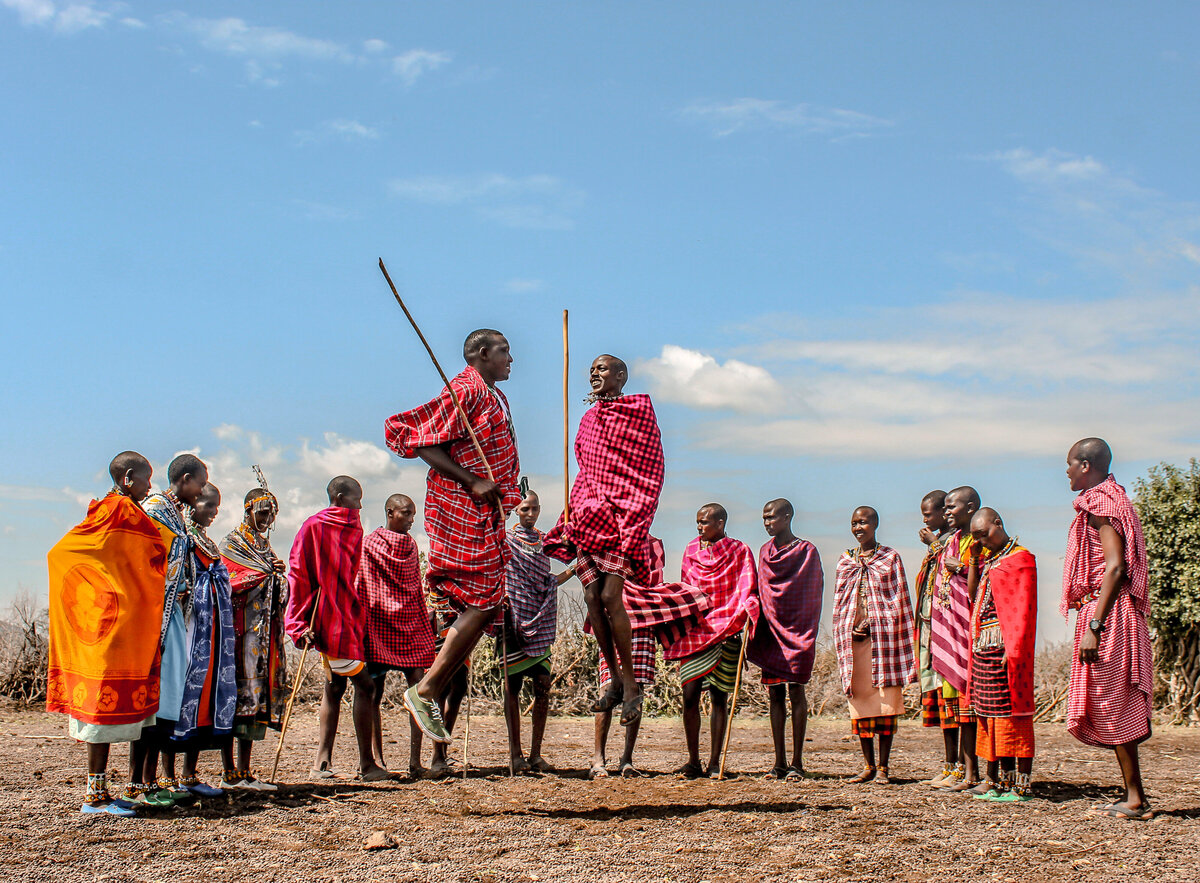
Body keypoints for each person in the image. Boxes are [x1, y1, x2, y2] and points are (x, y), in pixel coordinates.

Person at [384, 329, 521, 747]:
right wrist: (473, 479)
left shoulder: (491, 394)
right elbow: (414, 436)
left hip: (483, 513)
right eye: (504, 351)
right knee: (483, 598)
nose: (511, 359)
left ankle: (428, 690)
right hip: (458, 505)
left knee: (489, 597)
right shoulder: (465, 390)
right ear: (482, 354)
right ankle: (424, 690)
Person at [544, 355, 667, 727]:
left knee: (613, 596)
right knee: (592, 597)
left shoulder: (639, 412)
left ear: (621, 376)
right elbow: (586, 466)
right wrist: (575, 507)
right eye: (592, 369)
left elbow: (650, 468)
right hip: (590, 514)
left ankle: (630, 683)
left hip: (624, 514)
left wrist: (635, 510)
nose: (594, 374)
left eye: (602, 369)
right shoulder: (587, 418)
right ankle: (612, 677)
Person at [47, 452, 167, 816]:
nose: (150, 487)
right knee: (99, 711)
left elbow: (67, 553)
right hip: (113, 626)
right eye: (147, 480)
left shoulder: (101, 512)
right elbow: (152, 556)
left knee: (100, 710)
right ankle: (94, 795)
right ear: (129, 478)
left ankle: (100, 792)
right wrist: (110, 595)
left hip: (105, 625)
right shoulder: (123, 514)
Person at [1063, 438, 1154, 820]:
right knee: (1112, 702)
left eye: (1069, 464)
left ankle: (1136, 798)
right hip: (1109, 611)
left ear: (1086, 465)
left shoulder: (1101, 503)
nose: (1066, 472)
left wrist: (1095, 626)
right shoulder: (1110, 499)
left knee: (1114, 702)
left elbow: (1115, 568)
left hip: (1109, 614)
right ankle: (1134, 794)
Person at [285, 476, 387, 781]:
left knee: (335, 687)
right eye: (356, 499)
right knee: (365, 687)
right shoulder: (314, 527)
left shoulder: (352, 528)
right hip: (330, 619)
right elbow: (299, 574)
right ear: (341, 497)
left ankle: (323, 763)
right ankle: (366, 765)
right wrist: (299, 623)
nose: (359, 505)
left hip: (349, 617)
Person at [664, 504, 760, 778]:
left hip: (727, 627)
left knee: (720, 697)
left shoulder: (739, 551)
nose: (699, 527)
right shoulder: (691, 551)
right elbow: (687, 589)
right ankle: (693, 761)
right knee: (690, 694)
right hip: (697, 629)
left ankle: (715, 762)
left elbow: (747, 587)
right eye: (697, 522)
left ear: (720, 523)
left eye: (705, 522)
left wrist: (748, 607)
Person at [139, 453, 209, 804]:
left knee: (167, 698)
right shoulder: (155, 511)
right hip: (157, 617)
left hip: (175, 614)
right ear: (184, 478)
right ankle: (143, 783)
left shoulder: (175, 515)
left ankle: (153, 782)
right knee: (156, 698)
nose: (201, 490)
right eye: (199, 482)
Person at [356, 493, 437, 776]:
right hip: (378, 625)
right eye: (406, 513)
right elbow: (363, 583)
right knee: (373, 692)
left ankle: (416, 761)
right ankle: (377, 761)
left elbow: (414, 585)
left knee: (418, 689)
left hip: (410, 625)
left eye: (413, 514)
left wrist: (423, 617)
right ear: (390, 512)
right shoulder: (369, 544)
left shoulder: (412, 546)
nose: (412, 519)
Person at [833, 506, 914, 785]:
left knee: (886, 703)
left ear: (876, 524)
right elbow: (840, 604)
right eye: (854, 523)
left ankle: (884, 767)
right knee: (861, 703)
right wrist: (850, 628)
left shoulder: (890, 558)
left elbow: (899, 601)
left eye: (864, 522)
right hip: (855, 644)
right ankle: (867, 765)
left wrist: (875, 621)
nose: (858, 528)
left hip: (884, 641)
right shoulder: (845, 560)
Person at [746, 498, 823, 781]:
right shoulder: (764, 552)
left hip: (799, 632)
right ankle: (778, 763)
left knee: (796, 693)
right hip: (772, 633)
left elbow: (813, 594)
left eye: (772, 517)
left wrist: (806, 631)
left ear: (788, 517)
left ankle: (797, 763)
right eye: (764, 518)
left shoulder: (806, 551)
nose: (767, 523)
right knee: (775, 695)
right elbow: (760, 590)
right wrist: (752, 609)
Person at [219, 487, 288, 791]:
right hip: (237, 634)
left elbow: (278, 589)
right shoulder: (231, 543)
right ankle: (229, 771)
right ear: (247, 511)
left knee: (254, 701)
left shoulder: (265, 547)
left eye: (271, 515)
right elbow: (225, 581)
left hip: (260, 638)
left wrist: (278, 575)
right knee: (232, 699)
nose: (267, 520)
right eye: (262, 513)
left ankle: (245, 771)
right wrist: (261, 573)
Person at [967, 508, 1037, 802]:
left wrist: (1015, 647)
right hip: (984, 645)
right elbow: (973, 596)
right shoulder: (990, 561)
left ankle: (1021, 785)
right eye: (976, 537)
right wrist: (972, 559)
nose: (982, 541)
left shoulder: (1021, 559)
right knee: (989, 714)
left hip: (1008, 648)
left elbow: (1024, 606)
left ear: (999, 524)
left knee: (1012, 716)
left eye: (984, 534)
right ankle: (997, 781)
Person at [501, 490, 573, 774]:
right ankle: (515, 754)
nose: (530, 514)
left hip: (540, 619)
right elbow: (497, 571)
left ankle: (536, 754)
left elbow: (548, 582)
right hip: (512, 619)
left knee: (543, 684)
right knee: (512, 687)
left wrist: (575, 567)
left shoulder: (546, 541)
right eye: (525, 509)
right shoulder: (504, 539)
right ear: (516, 511)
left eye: (534, 509)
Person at [175, 483, 238, 794]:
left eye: (217, 506)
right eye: (209, 505)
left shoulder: (207, 543)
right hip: (187, 630)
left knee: (202, 698)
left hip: (211, 632)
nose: (214, 512)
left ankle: (189, 774)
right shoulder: (183, 540)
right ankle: (166, 777)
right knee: (180, 696)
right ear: (193, 502)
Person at [929, 485, 983, 791]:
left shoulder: (979, 541)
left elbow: (988, 574)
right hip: (950, 631)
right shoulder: (953, 542)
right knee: (957, 708)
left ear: (971, 507)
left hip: (970, 633)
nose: (946, 512)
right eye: (945, 507)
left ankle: (972, 773)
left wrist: (962, 568)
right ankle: (963, 771)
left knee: (971, 706)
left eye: (952, 507)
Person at [913, 490, 959, 787]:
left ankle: (959, 766)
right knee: (942, 697)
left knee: (954, 698)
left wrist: (934, 545)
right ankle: (949, 763)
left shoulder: (955, 541)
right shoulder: (943, 541)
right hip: (931, 626)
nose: (926, 520)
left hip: (950, 629)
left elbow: (957, 569)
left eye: (929, 514)